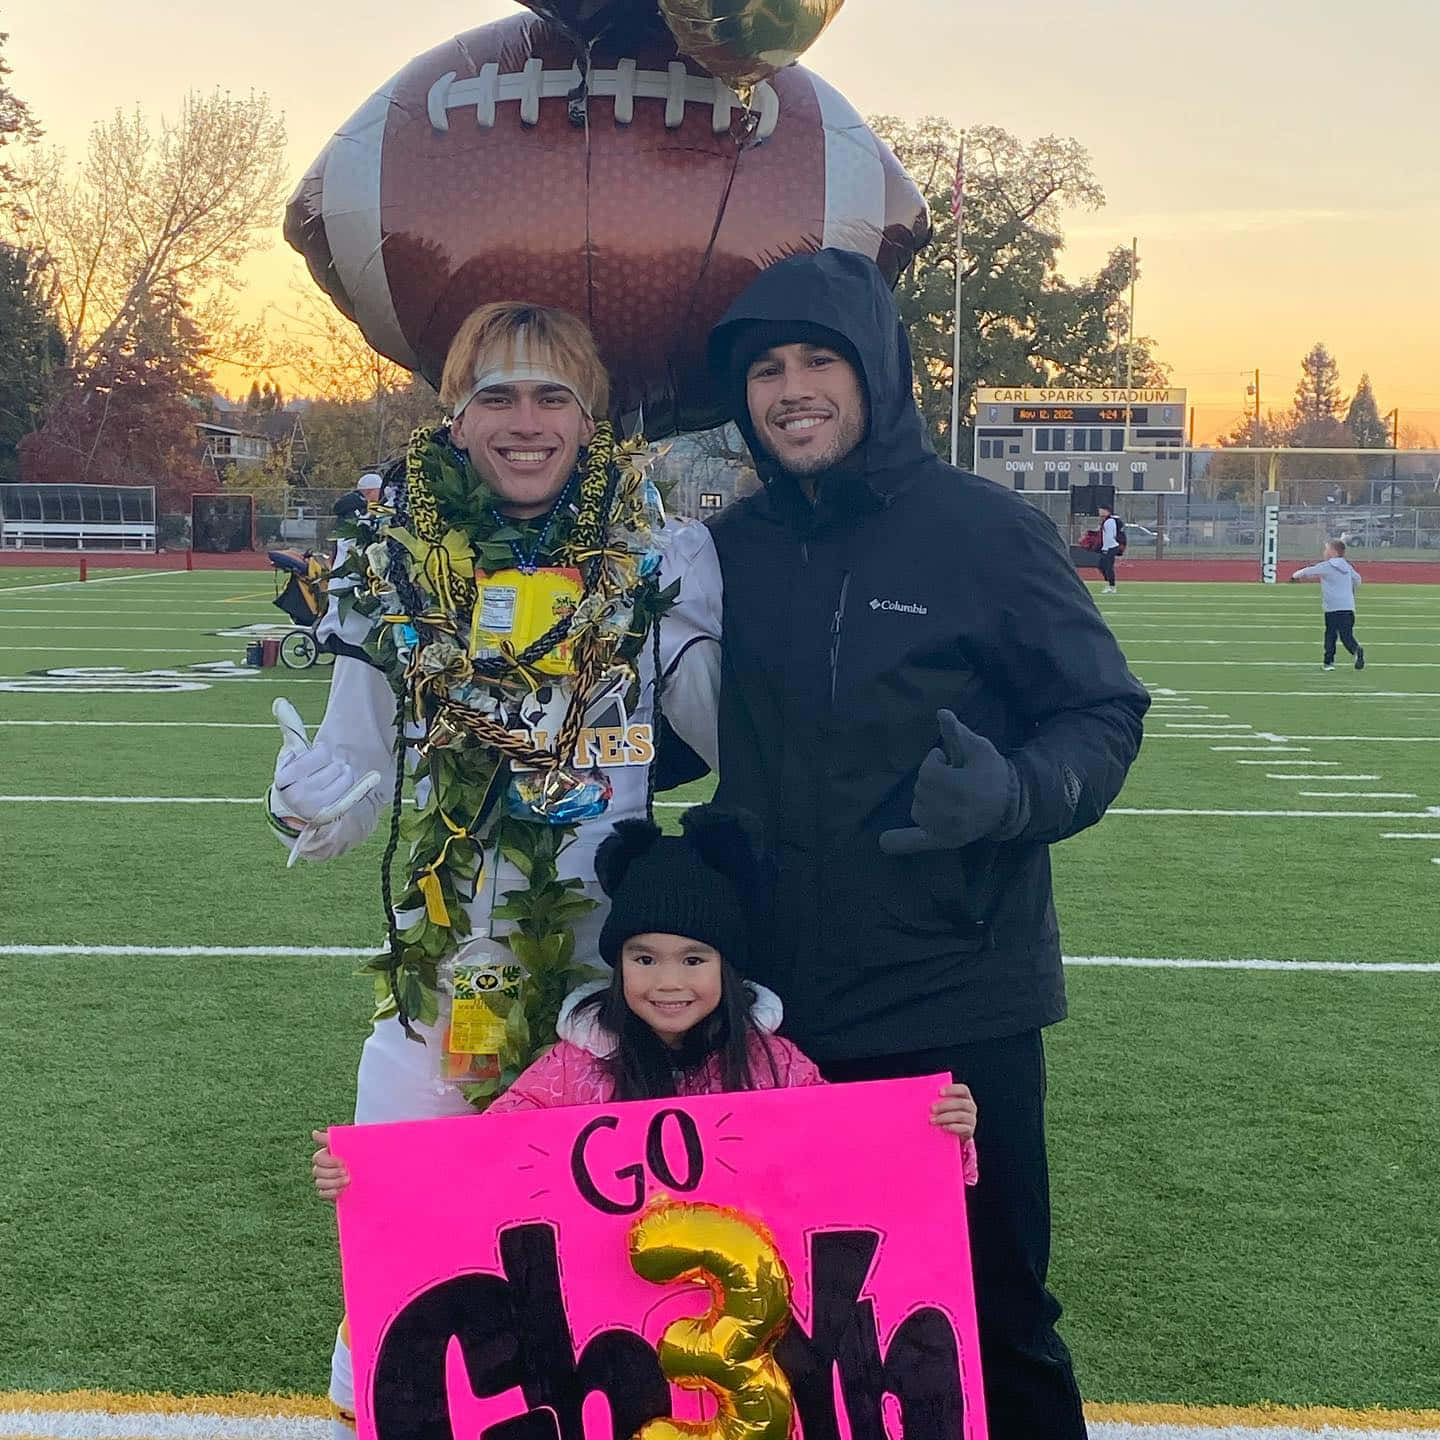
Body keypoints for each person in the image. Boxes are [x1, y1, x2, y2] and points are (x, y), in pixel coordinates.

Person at [704, 248, 1150, 1440]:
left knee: (992, 1317)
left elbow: (1105, 713)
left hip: (958, 1000)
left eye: (820, 362)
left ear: (881, 374)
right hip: (776, 1009)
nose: (792, 390)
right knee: (794, 1324)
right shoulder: (725, 549)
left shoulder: (985, 530)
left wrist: (1013, 791)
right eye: (767, 371)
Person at [264, 302, 723, 1436]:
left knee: (617, 1256)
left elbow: (722, 735)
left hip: (610, 963)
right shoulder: (396, 561)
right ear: (455, 417)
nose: (528, 421)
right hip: (453, 950)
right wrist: (310, 803)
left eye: (555, 395)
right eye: (499, 397)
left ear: (593, 416)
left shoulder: (662, 552)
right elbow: (361, 764)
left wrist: (709, 641)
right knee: (414, 1228)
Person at [312, 807, 980, 1192]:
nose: (668, 983)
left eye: (694, 960)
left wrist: (941, 1134)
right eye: (643, 958)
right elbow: (487, 1163)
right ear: (617, 966)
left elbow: (848, 1154)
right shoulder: (569, 1073)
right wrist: (371, 1178)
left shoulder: (775, 1065)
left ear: (728, 968)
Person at [1289, 540, 1365, 670]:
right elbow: (1357, 579)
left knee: (1330, 634)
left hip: (1332, 608)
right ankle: (1356, 650)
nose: (1324, 552)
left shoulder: (1326, 566)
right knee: (1346, 635)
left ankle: (1328, 662)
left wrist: (1294, 577)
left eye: (1326, 549)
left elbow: (1308, 571)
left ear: (1333, 552)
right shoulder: (1347, 566)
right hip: (1348, 607)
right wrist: (1350, 591)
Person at [1096, 502, 1121, 593]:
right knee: (1101, 566)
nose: (1099, 511)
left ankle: (1112, 586)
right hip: (1106, 547)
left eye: (1101, 510)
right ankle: (1109, 584)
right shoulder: (1105, 521)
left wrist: (1107, 549)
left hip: (1111, 547)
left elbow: (1110, 536)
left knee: (1108, 567)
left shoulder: (1110, 521)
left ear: (1106, 511)